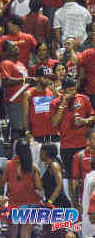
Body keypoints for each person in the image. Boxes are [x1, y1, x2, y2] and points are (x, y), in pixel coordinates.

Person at [51, 77, 95, 206]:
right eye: (70, 90)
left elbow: (92, 116)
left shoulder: (83, 99)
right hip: (67, 146)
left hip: (84, 145)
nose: (73, 92)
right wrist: (62, 105)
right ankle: (76, 207)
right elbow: (54, 123)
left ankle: (90, 204)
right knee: (72, 179)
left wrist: (85, 121)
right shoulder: (55, 103)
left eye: (74, 89)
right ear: (63, 90)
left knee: (87, 176)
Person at [4, 139, 42, 238]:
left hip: (14, 203)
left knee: (13, 233)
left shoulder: (8, 165)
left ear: (16, 150)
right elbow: (38, 186)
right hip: (30, 202)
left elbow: (2, 182)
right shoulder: (33, 166)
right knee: (26, 233)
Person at [0, 40, 33, 141]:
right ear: (6, 52)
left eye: (16, 46)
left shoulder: (20, 63)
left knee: (26, 128)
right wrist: (24, 80)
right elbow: (6, 81)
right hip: (15, 100)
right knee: (18, 129)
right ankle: (15, 153)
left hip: (26, 100)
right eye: (13, 47)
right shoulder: (5, 63)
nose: (16, 48)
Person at [22, 67, 58, 143]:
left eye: (49, 77)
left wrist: (55, 91)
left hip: (53, 133)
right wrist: (27, 132)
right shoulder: (28, 94)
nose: (48, 80)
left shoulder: (52, 92)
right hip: (37, 135)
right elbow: (25, 115)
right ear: (37, 78)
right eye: (45, 77)